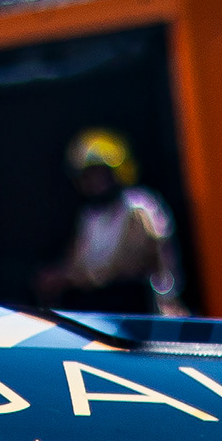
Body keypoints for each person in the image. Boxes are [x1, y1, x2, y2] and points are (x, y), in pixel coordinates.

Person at [35, 129, 183, 313]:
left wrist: (71, 278)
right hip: (101, 309)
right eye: (87, 175)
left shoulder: (139, 208)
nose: (95, 182)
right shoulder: (88, 216)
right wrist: (57, 276)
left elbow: (130, 265)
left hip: (143, 309)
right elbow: (76, 262)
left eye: (100, 173)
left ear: (118, 171)